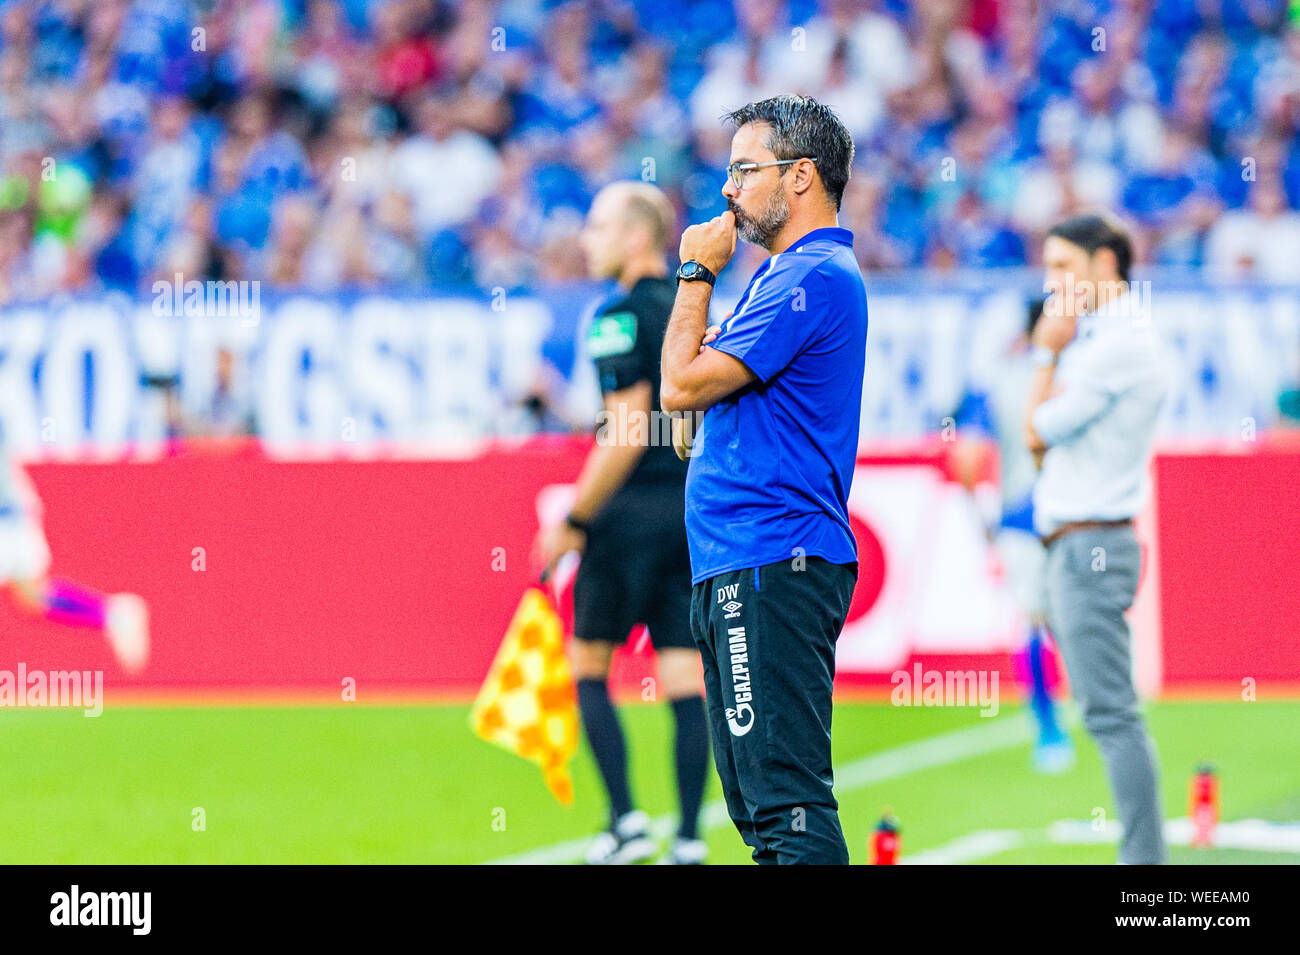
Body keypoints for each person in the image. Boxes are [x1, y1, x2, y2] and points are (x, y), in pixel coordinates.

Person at [660, 94, 867, 865]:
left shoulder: (806, 277)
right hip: (742, 559)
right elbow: (691, 404)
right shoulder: (785, 279)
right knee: (760, 813)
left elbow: (678, 388)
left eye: (746, 169)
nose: (728, 189)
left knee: (788, 810)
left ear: (802, 176)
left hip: (769, 558)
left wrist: (692, 273)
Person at [533, 182, 709, 866]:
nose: (587, 238)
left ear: (638, 237)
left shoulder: (617, 315)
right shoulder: (689, 308)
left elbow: (628, 428)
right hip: (687, 510)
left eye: (600, 225)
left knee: (589, 661)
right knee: (684, 676)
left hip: (628, 510)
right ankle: (690, 836)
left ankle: (625, 820)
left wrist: (575, 518)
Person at [1024, 212, 1170, 865]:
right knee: (1107, 710)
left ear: (1105, 264)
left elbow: (1034, 431)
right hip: (1079, 540)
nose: (1053, 281)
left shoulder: (1115, 343)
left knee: (1111, 714)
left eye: (1064, 266)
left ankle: (1145, 865)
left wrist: (1046, 350)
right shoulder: (1107, 338)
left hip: (1092, 545)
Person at [948, 297, 1074, 773]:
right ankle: (1083, 715)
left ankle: (1048, 729)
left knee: (1034, 622)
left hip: (1020, 519)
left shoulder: (999, 379)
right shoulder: (1078, 377)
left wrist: (982, 516)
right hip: (1076, 516)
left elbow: (967, 460)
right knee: (1072, 617)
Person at [0, 441, 150, 673]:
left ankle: (112, 614)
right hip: (15, 514)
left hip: (9, 520)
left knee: (33, 595)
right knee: (33, 597)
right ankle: (112, 613)